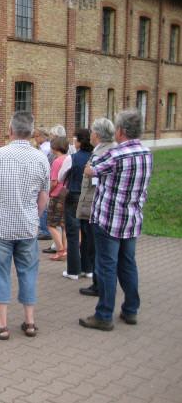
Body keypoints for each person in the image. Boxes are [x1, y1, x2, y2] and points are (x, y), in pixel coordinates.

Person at [0, 111, 49, 340]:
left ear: (10, 131)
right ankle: (29, 321)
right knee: (28, 272)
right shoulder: (41, 158)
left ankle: (2, 325)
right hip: (28, 226)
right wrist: (35, 216)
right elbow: (45, 195)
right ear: (31, 132)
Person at [80, 110, 152, 331]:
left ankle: (104, 314)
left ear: (120, 131)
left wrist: (91, 168)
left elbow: (90, 171)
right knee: (128, 264)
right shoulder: (146, 152)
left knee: (107, 266)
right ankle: (131, 310)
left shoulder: (116, 155)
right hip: (132, 218)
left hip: (109, 219)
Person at [76, 118, 116, 297]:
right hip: (91, 203)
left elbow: (97, 177)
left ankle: (100, 284)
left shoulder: (104, 153)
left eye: (92, 132)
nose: (90, 135)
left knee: (95, 246)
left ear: (98, 135)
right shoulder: (100, 150)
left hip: (95, 205)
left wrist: (90, 170)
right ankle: (98, 281)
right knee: (92, 244)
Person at [58, 129, 93, 280]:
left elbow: (61, 177)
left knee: (72, 232)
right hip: (90, 196)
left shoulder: (72, 158)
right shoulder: (95, 157)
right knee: (88, 232)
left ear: (79, 141)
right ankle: (88, 268)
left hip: (74, 195)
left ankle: (73, 270)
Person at [46, 136, 69, 261]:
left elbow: (54, 181)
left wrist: (47, 192)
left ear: (54, 147)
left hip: (56, 195)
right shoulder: (69, 158)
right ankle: (65, 250)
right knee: (63, 224)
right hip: (66, 193)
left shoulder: (57, 161)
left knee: (51, 224)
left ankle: (60, 250)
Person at [33, 127, 51, 241]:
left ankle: (45, 230)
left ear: (42, 136)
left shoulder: (44, 149)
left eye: (36, 136)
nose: (35, 139)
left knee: (42, 204)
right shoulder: (44, 147)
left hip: (43, 178)